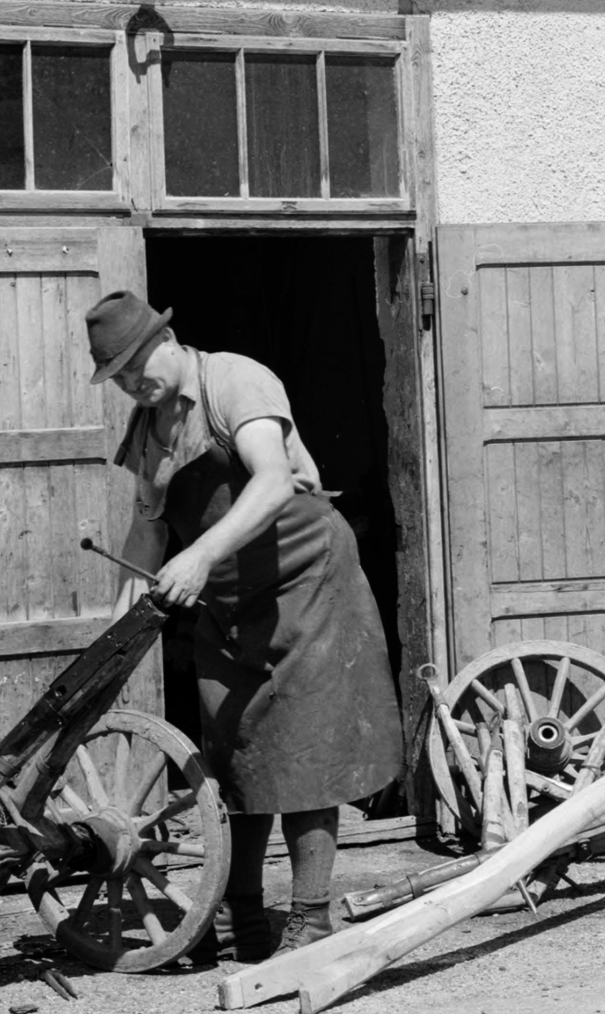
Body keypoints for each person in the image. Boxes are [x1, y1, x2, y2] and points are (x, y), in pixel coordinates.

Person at [84, 289, 404, 962]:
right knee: (235, 758)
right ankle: (242, 918)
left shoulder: (235, 379)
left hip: (306, 583)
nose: (133, 386)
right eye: (118, 379)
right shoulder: (148, 429)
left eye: (137, 367)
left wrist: (198, 554)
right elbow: (145, 534)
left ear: (165, 342)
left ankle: (310, 918)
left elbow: (274, 481)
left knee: (307, 752)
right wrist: (113, 640)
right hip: (232, 603)